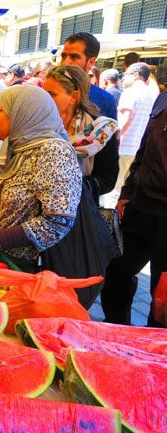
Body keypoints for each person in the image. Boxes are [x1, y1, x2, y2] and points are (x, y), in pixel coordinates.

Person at [0, 85, 82, 272]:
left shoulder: (53, 152)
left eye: (0, 111)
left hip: (21, 267)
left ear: (22, 114)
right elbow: (12, 207)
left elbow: (58, 221)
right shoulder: (20, 148)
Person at [101, 91, 167, 328]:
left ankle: (153, 354)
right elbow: (145, 148)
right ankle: (116, 330)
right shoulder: (163, 98)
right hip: (140, 207)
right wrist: (128, 191)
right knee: (116, 273)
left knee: (162, 299)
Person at [60, 32, 119, 201]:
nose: (66, 62)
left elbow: (106, 161)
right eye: (63, 56)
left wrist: (83, 187)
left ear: (91, 62)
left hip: (83, 194)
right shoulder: (47, 93)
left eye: (74, 57)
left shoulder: (104, 100)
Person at [42, 65, 118, 181]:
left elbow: (107, 179)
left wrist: (69, 187)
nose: (44, 98)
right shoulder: (37, 125)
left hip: (81, 198)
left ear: (73, 97)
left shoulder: (100, 129)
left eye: (51, 94)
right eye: (43, 93)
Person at [103, 62, 156, 208]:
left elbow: (123, 121)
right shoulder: (153, 94)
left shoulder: (130, 92)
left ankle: (110, 224)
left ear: (136, 75)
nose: (123, 79)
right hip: (140, 150)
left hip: (124, 147)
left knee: (114, 189)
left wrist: (114, 142)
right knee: (127, 189)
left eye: (125, 75)